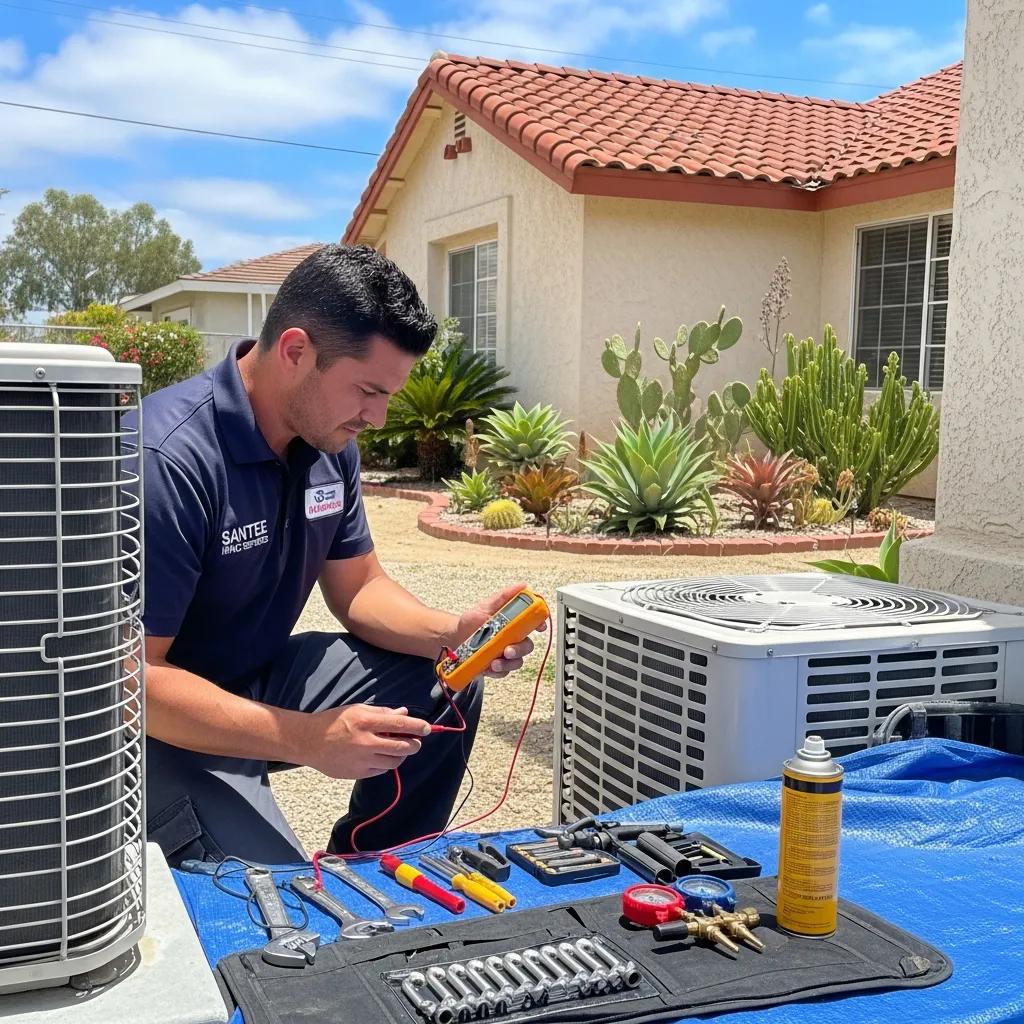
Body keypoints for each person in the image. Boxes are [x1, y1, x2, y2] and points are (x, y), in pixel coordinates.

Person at [131, 244, 542, 866]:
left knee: (441, 683)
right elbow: (130, 682)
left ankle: (379, 867)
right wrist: (311, 739)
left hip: (253, 678)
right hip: (149, 729)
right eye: (368, 391)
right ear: (296, 351)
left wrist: (453, 634)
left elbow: (359, 589)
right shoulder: (165, 461)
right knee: (281, 909)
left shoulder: (328, 442)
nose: (376, 418)